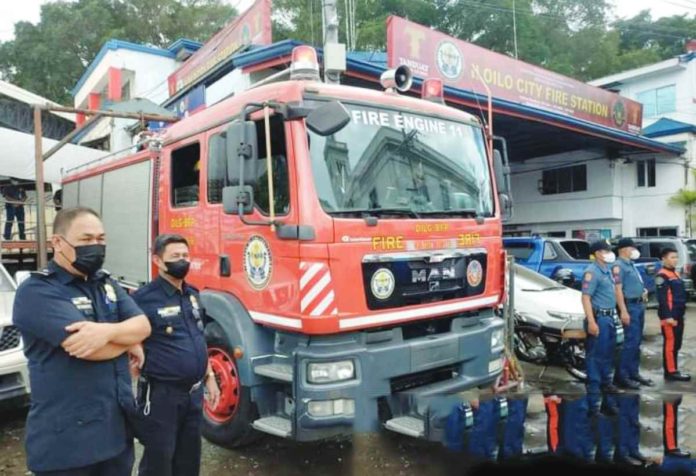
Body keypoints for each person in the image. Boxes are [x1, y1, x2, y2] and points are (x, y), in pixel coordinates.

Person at [12, 206, 151, 475]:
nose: (96, 246)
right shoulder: (38, 290)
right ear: (58, 243)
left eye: (101, 239)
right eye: (86, 240)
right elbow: (88, 350)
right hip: (67, 444)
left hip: (115, 434)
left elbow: (143, 325)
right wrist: (126, 340)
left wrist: (106, 333)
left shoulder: (104, 283)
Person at [132, 234, 220, 476]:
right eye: (175, 257)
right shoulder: (143, 299)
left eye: (185, 256)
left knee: (188, 461)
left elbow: (199, 338)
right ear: (158, 261)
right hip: (162, 396)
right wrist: (135, 350)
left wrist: (210, 376)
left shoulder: (192, 295)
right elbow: (124, 334)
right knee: (158, 462)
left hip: (192, 395)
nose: (182, 261)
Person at [581, 240, 624, 413]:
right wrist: (591, 321)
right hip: (599, 319)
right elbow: (585, 298)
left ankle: (606, 400)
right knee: (595, 358)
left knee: (607, 356)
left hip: (609, 318)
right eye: (606, 250)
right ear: (598, 253)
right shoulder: (592, 272)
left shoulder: (607, 270)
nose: (609, 253)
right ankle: (593, 405)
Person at [612, 238, 653, 389]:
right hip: (629, 307)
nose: (634, 251)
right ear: (623, 249)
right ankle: (622, 376)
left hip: (638, 304)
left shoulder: (630, 264)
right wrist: (623, 310)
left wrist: (643, 291)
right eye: (632, 248)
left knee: (636, 342)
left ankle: (633, 372)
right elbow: (617, 290)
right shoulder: (618, 266)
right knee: (629, 343)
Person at [655, 247, 690, 382]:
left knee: (676, 344)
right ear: (664, 259)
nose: (675, 260)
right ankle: (671, 372)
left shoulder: (674, 274)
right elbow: (662, 299)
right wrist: (668, 316)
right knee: (670, 345)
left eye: (676, 257)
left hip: (678, 315)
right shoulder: (662, 275)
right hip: (670, 317)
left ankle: (673, 368)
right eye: (672, 257)